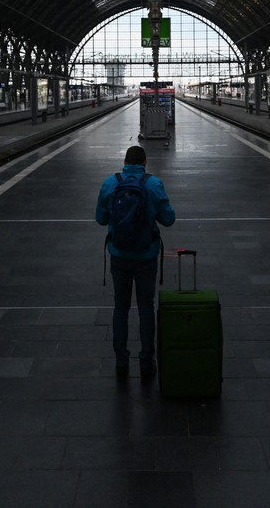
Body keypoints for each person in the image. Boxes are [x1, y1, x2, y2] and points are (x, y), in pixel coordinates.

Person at [95, 144, 175, 382]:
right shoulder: (153, 184)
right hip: (146, 256)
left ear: (125, 162)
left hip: (119, 255)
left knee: (120, 307)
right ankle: (145, 362)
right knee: (145, 308)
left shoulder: (111, 183)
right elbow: (169, 219)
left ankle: (121, 363)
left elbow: (100, 219)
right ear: (145, 163)